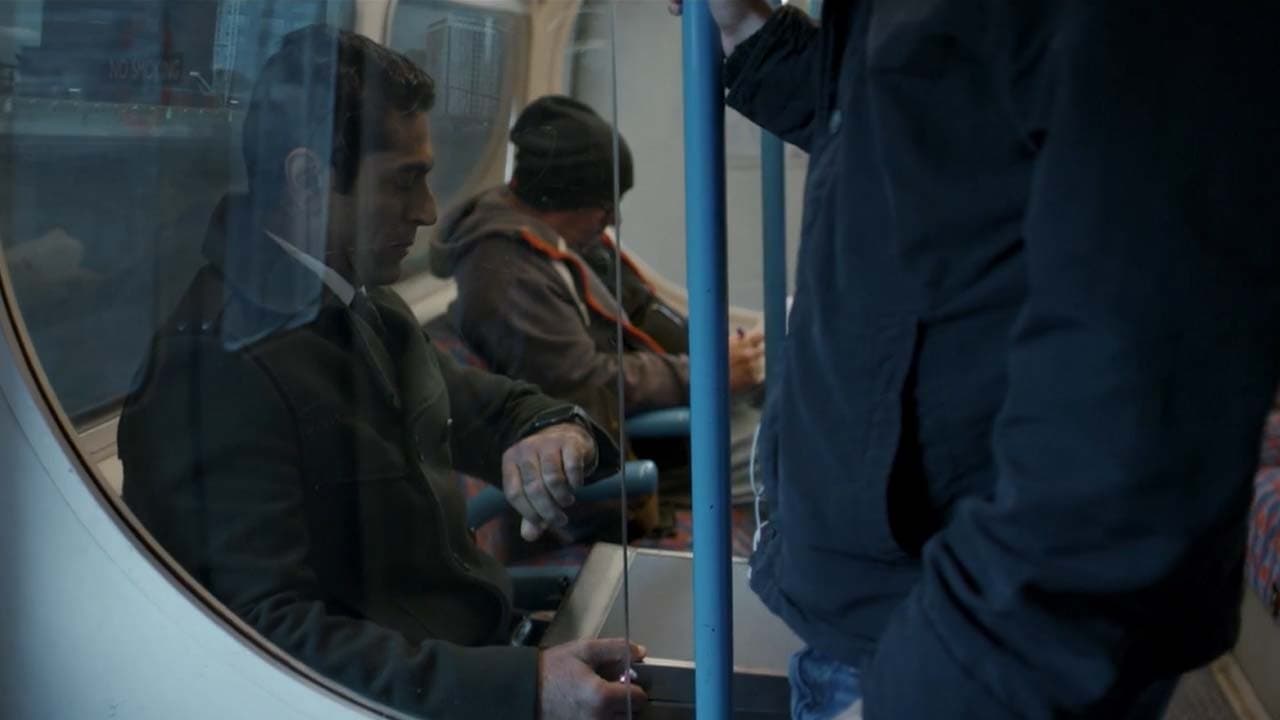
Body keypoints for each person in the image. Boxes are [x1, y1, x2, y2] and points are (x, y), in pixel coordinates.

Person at [669, 1, 1280, 719]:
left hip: (960, 632)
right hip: (890, 607)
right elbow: (932, 144)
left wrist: (936, 694)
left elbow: (1136, 429)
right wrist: (748, 32)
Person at [117, 25, 646, 720]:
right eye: (406, 181)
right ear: (309, 179)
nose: (428, 212)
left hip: (468, 659)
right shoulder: (221, 368)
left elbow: (490, 408)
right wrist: (524, 688)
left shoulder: (363, 307)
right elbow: (265, 642)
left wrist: (554, 431)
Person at [428, 95, 763, 494]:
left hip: (685, 398)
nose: (613, 220)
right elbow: (585, 383)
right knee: (789, 449)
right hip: (651, 439)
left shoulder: (568, 242)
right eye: (605, 208)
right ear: (560, 200)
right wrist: (705, 376)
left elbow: (643, 308)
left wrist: (719, 353)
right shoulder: (506, 274)